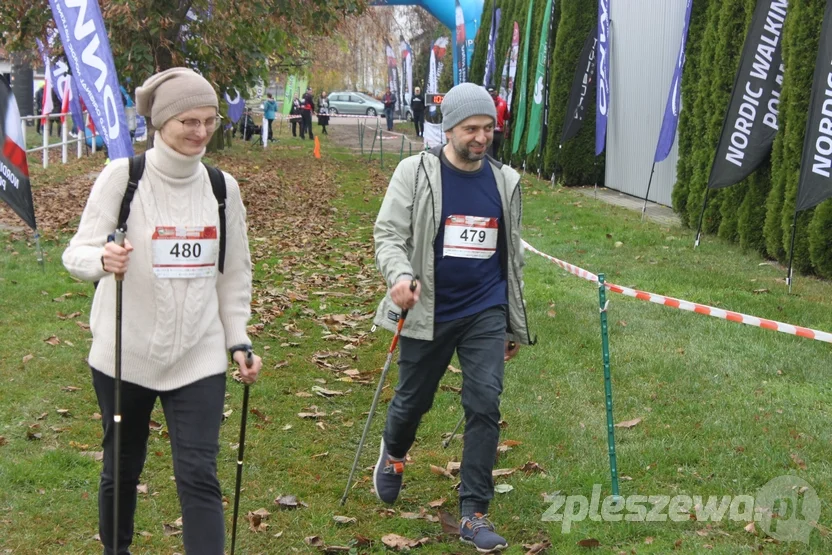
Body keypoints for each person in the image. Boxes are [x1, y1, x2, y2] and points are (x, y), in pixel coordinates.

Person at [62, 67, 263, 555]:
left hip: (198, 354)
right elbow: (77, 253)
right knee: (122, 468)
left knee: (199, 472)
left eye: (209, 121)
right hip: (124, 355)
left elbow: (233, 273)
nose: (200, 132)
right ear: (160, 122)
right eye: (188, 121)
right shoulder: (123, 177)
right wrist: (102, 260)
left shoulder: (222, 188)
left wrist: (238, 338)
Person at [371, 82, 533, 553]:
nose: (481, 138)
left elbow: (509, 254)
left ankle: (473, 513)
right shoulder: (415, 173)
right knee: (412, 401)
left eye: (487, 129)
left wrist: (510, 320)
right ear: (449, 129)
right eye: (470, 129)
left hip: (485, 308)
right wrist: (399, 277)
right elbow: (388, 234)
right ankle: (395, 453)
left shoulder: (505, 181)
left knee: (484, 404)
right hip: (429, 308)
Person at [488, 86, 509, 161]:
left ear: (496, 92)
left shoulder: (503, 103)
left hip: (497, 132)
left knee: (494, 152)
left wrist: (506, 129)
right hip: (489, 131)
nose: (491, 94)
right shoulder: (486, 103)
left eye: (492, 92)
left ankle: (493, 168)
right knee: (490, 153)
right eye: (490, 93)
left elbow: (506, 117)